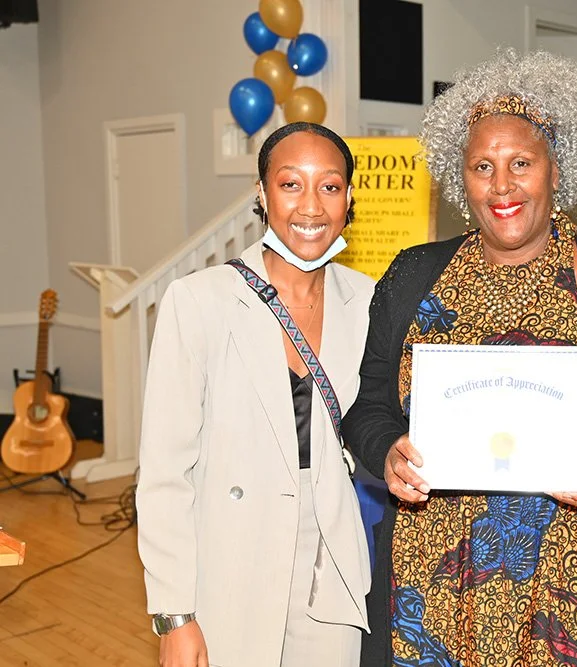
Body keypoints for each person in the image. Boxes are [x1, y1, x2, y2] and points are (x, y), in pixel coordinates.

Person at [341, 48, 577, 666]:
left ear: (557, 170)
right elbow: (367, 407)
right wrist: (387, 449)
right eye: (482, 166)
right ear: (458, 175)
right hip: (434, 589)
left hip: (576, 595)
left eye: (522, 163)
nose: (502, 186)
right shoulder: (414, 277)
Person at [136, 122, 374, 667]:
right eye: (291, 184)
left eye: (329, 186)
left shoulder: (366, 301)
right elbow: (165, 473)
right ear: (262, 195)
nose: (310, 206)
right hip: (231, 558)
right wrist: (175, 614)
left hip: (332, 560)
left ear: (349, 199)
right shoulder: (198, 302)